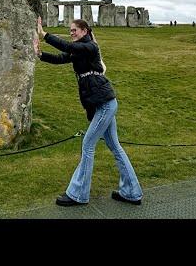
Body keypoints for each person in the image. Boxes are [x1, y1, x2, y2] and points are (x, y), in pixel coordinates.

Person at [33, 16, 143, 207]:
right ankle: (132, 192)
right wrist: (41, 55)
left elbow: (69, 47)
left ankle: (78, 194)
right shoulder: (80, 51)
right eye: (70, 31)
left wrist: (45, 35)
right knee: (115, 147)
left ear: (84, 31)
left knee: (87, 145)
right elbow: (61, 58)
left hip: (105, 104)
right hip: (102, 103)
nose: (72, 33)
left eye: (74, 30)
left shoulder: (90, 46)